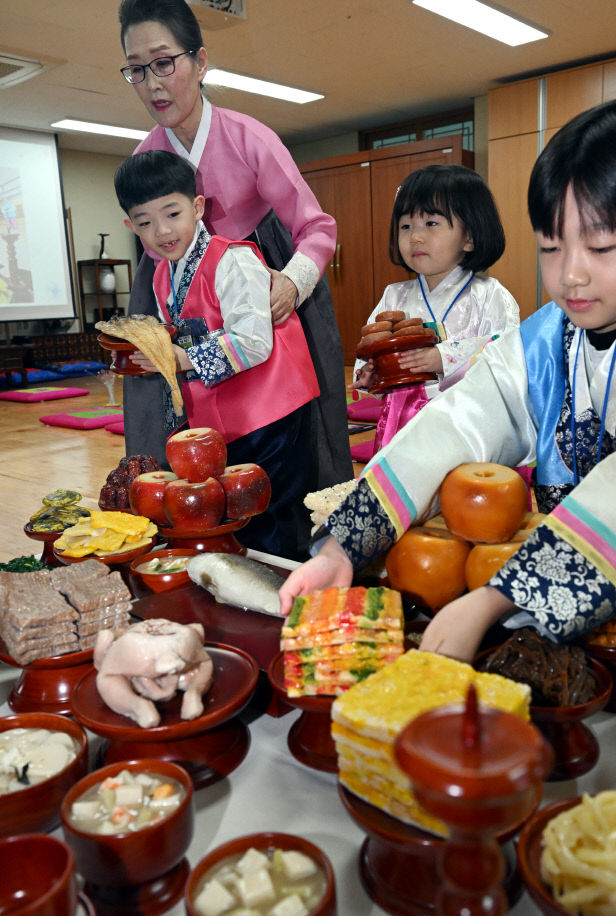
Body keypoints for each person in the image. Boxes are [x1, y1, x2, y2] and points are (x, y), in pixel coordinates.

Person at [279, 95, 616, 663]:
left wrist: (496, 598)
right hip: (545, 605)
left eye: (602, 245)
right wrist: (345, 547)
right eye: (551, 244)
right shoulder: (545, 337)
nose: (569, 273)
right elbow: (456, 423)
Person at [117, 0, 353, 520]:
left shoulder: (250, 139)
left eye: (164, 62)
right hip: (184, 298)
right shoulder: (144, 160)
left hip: (263, 281)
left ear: (200, 62)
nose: (152, 83)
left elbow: (317, 228)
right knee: (181, 437)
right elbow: (155, 248)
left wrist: (291, 284)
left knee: (284, 446)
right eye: (136, 69)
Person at [114, 150, 319, 557]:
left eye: (172, 214)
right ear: (130, 225)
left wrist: (179, 359)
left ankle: (285, 601)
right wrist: (155, 355)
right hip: (225, 417)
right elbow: (180, 340)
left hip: (271, 410)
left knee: (272, 515)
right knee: (237, 516)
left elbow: (254, 342)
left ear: (197, 207)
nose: (161, 231)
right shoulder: (161, 275)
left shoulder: (234, 259)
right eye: (145, 222)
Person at [352, 164, 519, 452]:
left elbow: (508, 356)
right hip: (401, 423)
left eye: (431, 224)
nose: (415, 237)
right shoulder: (394, 296)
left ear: (469, 237)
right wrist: (370, 373)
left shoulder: (489, 295)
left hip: (467, 428)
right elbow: (373, 348)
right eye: (406, 226)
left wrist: (443, 358)